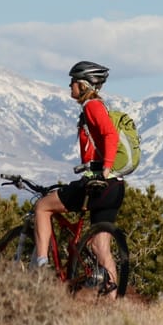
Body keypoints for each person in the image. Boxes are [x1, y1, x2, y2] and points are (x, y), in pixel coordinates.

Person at [33, 61, 125, 298]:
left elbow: (110, 134)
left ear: (83, 84)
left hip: (98, 183)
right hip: (116, 186)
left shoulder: (92, 106)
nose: (69, 85)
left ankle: (40, 267)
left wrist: (104, 169)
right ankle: (112, 303)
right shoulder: (100, 106)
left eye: (73, 81)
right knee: (100, 246)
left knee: (42, 207)